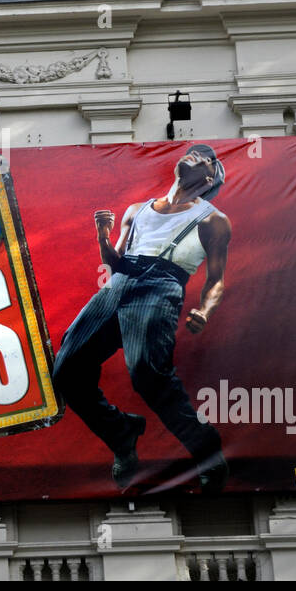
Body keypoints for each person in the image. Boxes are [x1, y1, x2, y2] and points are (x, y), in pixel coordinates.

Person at [51, 143, 232, 491]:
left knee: (149, 375)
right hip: (119, 282)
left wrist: (205, 310)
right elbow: (115, 261)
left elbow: (216, 280)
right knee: (67, 369)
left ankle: (207, 450)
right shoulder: (138, 210)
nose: (195, 154)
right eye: (192, 150)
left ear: (211, 176)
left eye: (205, 156)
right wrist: (102, 238)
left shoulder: (213, 221)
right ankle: (121, 433)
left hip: (161, 285)